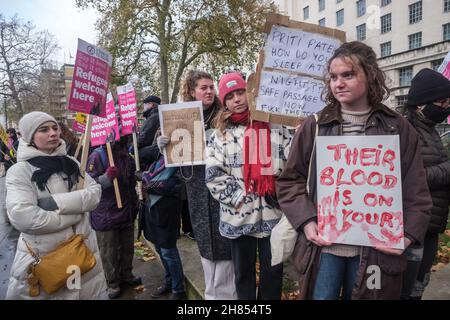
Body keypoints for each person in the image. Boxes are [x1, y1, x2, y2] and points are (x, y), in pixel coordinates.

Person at [276, 41, 432, 300]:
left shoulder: (398, 128)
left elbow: (417, 192)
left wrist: (407, 235)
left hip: (376, 252)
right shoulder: (314, 126)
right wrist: (306, 221)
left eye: (348, 75)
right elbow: (290, 181)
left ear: (370, 75)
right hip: (324, 249)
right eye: (333, 77)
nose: (338, 83)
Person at [205, 72, 292, 300]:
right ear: (224, 102)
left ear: (249, 92)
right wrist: (242, 197)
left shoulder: (275, 127)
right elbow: (214, 175)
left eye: (240, 92)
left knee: (273, 271)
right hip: (239, 215)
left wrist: (277, 189)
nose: (237, 99)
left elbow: (291, 163)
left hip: (273, 214)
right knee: (242, 273)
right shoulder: (219, 136)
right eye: (230, 96)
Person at [5, 111, 107, 299]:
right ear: (30, 137)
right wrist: (76, 213)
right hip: (47, 260)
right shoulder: (20, 171)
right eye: (44, 130)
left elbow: (94, 195)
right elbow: (24, 217)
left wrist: (53, 203)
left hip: (84, 256)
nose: (53, 133)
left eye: (54, 128)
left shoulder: (72, 163)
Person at [158, 70, 236, 300]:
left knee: (225, 249)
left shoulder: (225, 114)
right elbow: (172, 155)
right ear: (192, 91)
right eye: (204, 87)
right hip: (196, 191)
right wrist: (162, 144)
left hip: (223, 190)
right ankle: (211, 295)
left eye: (211, 87)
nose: (210, 91)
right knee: (206, 246)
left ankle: (229, 298)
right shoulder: (179, 116)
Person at [401, 68, 450, 300]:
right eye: (442, 102)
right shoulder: (405, 131)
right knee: (407, 288)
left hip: (431, 224)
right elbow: (408, 175)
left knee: (420, 285)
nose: (446, 107)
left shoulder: (429, 130)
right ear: (421, 104)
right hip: (413, 227)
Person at [86, 135, 141, 299]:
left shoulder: (127, 156)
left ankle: (127, 274)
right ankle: (112, 282)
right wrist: (105, 178)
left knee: (127, 247)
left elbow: (131, 181)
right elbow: (88, 184)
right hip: (106, 213)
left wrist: (135, 201)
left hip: (126, 210)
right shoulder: (97, 156)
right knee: (109, 251)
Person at [136, 143, 186, 300]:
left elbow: (169, 185)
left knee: (168, 251)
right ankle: (169, 281)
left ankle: (179, 290)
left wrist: (144, 178)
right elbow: (137, 150)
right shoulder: (157, 158)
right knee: (159, 248)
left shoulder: (179, 160)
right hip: (153, 211)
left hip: (167, 213)